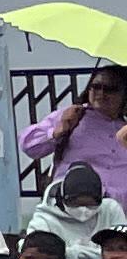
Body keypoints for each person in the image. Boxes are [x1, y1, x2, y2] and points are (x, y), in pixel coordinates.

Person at [26, 63, 127, 207]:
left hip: (119, 209)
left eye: (110, 89)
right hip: (74, 205)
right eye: (96, 87)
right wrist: (58, 131)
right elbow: (29, 146)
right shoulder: (74, 115)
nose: (101, 93)